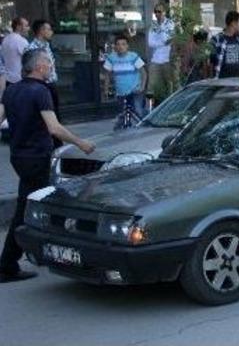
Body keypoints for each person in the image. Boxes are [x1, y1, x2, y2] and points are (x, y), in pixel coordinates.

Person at [0, 49, 95, 283]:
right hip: (37, 156)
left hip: (19, 155)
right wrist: (81, 143)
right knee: (30, 206)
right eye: (49, 64)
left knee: (36, 201)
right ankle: (8, 263)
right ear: (40, 66)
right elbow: (54, 128)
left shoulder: (11, 90)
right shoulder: (40, 91)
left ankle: (30, 254)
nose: (51, 67)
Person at [104, 34, 148, 125]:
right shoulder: (111, 58)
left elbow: (144, 73)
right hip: (121, 92)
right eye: (118, 44)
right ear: (115, 46)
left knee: (138, 111)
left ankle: (145, 127)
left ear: (127, 46)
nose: (121, 47)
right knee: (123, 114)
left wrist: (142, 87)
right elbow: (107, 75)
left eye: (123, 44)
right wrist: (106, 89)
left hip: (135, 90)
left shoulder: (133, 57)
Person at [25, 20, 60, 120]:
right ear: (41, 31)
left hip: (51, 83)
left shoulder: (47, 45)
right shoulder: (31, 48)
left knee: (55, 114)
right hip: (40, 85)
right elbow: (28, 68)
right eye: (49, 29)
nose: (51, 32)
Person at [210, 11, 239, 79]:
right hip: (221, 79)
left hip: (238, 77)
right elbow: (209, 61)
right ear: (233, 23)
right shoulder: (217, 39)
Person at [147, 4, 175, 101]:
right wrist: (162, 43)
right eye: (156, 12)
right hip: (156, 59)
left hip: (167, 59)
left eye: (160, 11)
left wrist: (162, 27)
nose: (157, 14)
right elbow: (150, 43)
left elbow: (168, 40)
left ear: (164, 12)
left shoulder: (170, 24)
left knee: (169, 84)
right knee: (151, 86)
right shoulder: (153, 25)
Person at [1, 17, 29, 84]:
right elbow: (30, 60)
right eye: (26, 26)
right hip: (19, 79)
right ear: (18, 27)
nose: (28, 28)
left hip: (7, 79)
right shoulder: (21, 41)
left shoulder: (5, 39)